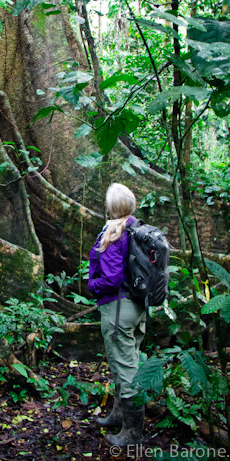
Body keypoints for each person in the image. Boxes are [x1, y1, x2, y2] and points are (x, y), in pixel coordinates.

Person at [88, 182, 146, 447]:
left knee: (125, 369)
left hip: (118, 307)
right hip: (138, 307)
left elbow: (111, 279)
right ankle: (119, 415)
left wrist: (92, 286)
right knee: (127, 361)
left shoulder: (114, 233)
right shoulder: (138, 228)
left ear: (111, 207)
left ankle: (133, 433)